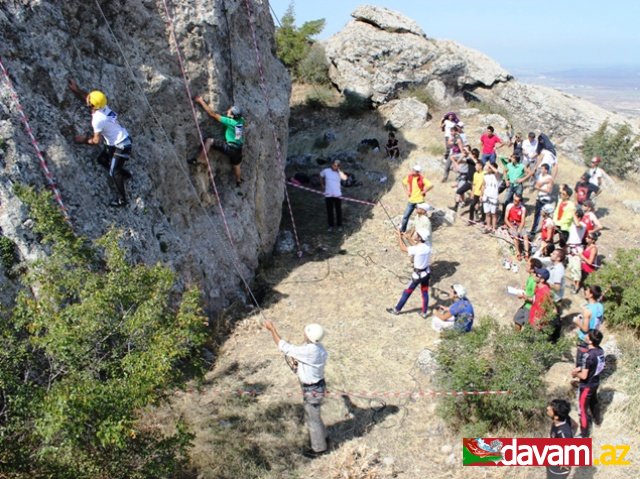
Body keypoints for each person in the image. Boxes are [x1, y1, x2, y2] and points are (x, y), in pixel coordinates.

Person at [263, 319, 329, 457]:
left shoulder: (309, 351)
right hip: (318, 386)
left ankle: (319, 448)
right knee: (315, 415)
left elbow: (283, 346)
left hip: (312, 390)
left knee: (313, 420)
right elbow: (305, 353)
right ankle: (324, 437)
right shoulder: (319, 348)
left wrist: (272, 329)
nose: (304, 332)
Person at [68, 79, 132, 207]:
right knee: (102, 160)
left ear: (92, 106)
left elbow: (97, 140)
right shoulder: (103, 107)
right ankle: (124, 174)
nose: (88, 99)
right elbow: (88, 98)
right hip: (119, 140)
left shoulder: (98, 119)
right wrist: (77, 89)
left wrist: (84, 140)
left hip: (121, 146)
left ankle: (122, 200)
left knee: (113, 172)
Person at [193, 95, 245, 186]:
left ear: (232, 116)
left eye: (230, 111)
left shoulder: (230, 121)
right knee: (237, 165)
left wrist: (201, 101)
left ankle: (201, 159)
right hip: (238, 149)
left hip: (230, 147)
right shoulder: (240, 121)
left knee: (209, 141)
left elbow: (212, 114)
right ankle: (238, 180)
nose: (228, 110)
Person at [387, 229, 432, 318]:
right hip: (426, 274)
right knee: (425, 292)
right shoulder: (428, 246)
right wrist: (408, 238)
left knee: (407, 292)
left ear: (419, 238)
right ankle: (424, 312)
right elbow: (417, 246)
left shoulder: (417, 248)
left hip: (417, 276)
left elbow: (403, 248)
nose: (414, 234)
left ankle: (397, 310)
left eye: (416, 234)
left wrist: (399, 237)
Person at [571, 329, 605, 438]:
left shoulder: (587, 355)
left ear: (590, 341)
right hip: (595, 382)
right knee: (593, 402)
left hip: (586, 386)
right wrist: (581, 368)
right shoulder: (600, 351)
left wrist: (575, 374)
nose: (585, 336)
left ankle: (584, 434)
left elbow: (584, 376)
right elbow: (594, 365)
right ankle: (598, 421)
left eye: (587, 336)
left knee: (583, 409)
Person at [400, 165, 433, 233]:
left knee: (422, 218)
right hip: (411, 200)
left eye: (414, 170)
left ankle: (422, 232)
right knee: (405, 217)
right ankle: (402, 231)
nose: (412, 171)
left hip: (420, 201)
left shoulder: (422, 178)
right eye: (413, 169)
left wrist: (424, 191)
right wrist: (407, 191)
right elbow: (403, 183)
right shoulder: (409, 177)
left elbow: (431, 185)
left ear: (418, 172)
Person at [545, 399, 574, 479]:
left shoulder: (563, 433)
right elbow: (575, 425)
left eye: (550, 408)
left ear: (556, 416)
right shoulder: (564, 418)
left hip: (558, 470)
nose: (548, 408)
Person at [513, 258, 543, 330]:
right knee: (517, 319)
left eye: (528, 265)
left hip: (531, 308)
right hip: (526, 305)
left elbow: (535, 299)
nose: (526, 266)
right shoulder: (531, 277)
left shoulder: (534, 281)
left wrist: (523, 296)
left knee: (529, 328)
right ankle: (516, 338)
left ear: (533, 269)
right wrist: (525, 288)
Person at [499, 154, 531, 222]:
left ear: (516, 159)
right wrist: (506, 180)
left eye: (513, 158)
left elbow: (529, 173)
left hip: (518, 185)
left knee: (519, 201)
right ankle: (503, 216)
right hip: (511, 184)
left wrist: (523, 179)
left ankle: (520, 217)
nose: (511, 159)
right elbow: (504, 171)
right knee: (506, 201)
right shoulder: (509, 165)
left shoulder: (521, 166)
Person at [319, 159, 348, 232]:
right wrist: (322, 184)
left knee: (338, 211)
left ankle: (339, 225)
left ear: (338, 166)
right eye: (333, 165)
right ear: (331, 164)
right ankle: (330, 226)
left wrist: (339, 171)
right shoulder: (326, 171)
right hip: (328, 195)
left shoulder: (339, 173)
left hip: (337, 195)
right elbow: (320, 175)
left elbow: (345, 178)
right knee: (330, 211)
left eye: (336, 166)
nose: (334, 167)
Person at [530, 163, 554, 235]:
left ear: (546, 170)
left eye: (542, 169)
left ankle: (543, 232)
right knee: (536, 215)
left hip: (545, 199)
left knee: (544, 216)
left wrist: (539, 188)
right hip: (539, 198)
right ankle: (533, 231)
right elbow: (537, 181)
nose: (541, 170)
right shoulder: (540, 176)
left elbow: (549, 191)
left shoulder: (549, 178)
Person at [504, 192, 529, 260]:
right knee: (515, 236)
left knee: (525, 236)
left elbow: (523, 220)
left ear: (520, 202)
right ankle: (518, 253)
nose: (515, 202)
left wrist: (520, 229)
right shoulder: (509, 206)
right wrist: (511, 227)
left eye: (517, 201)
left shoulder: (523, 208)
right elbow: (506, 219)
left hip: (519, 224)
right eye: (514, 200)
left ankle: (527, 253)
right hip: (511, 224)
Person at [450, 146, 475, 212]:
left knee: (459, 189)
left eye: (465, 150)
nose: (464, 151)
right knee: (460, 189)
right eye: (463, 149)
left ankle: (460, 204)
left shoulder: (469, 158)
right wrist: (455, 163)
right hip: (460, 174)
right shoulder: (461, 155)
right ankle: (461, 202)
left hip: (466, 175)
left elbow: (473, 161)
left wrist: (468, 154)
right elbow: (455, 159)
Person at [553, 185, 576, 249]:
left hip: (564, 227)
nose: (561, 195)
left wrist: (559, 224)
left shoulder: (571, 206)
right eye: (561, 193)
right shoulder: (560, 201)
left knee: (562, 244)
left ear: (568, 196)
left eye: (563, 194)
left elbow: (568, 218)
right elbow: (556, 212)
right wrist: (554, 221)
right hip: (556, 223)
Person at [481, 162, 500, 233]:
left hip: (493, 197)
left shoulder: (497, 176)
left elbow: (497, 171)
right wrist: (481, 195)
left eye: (489, 168)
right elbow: (483, 186)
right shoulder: (485, 176)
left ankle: (494, 228)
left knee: (493, 213)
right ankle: (488, 227)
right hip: (486, 197)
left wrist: (490, 165)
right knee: (487, 213)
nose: (488, 168)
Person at [441, 112, 459, 180]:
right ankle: (445, 158)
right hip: (447, 136)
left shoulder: (454, 123)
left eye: (452, 116)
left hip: (453, 138)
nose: (451, 117)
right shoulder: (446, 121)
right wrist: (441, 120)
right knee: (448, 148)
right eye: (450, 116)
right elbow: (441, 127)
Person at [469, 159, 484, 225]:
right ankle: (470, 220)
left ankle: (483, 220)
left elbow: (484, 185)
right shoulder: (475, 174)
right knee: (472, 206)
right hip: (476, 193)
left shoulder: (485, 173)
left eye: (476, 166)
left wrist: (482, 194)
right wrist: (472, 192)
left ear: (480, 166)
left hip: (483, 194)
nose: (475, 167)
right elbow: (474, 184)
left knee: (483, 208)